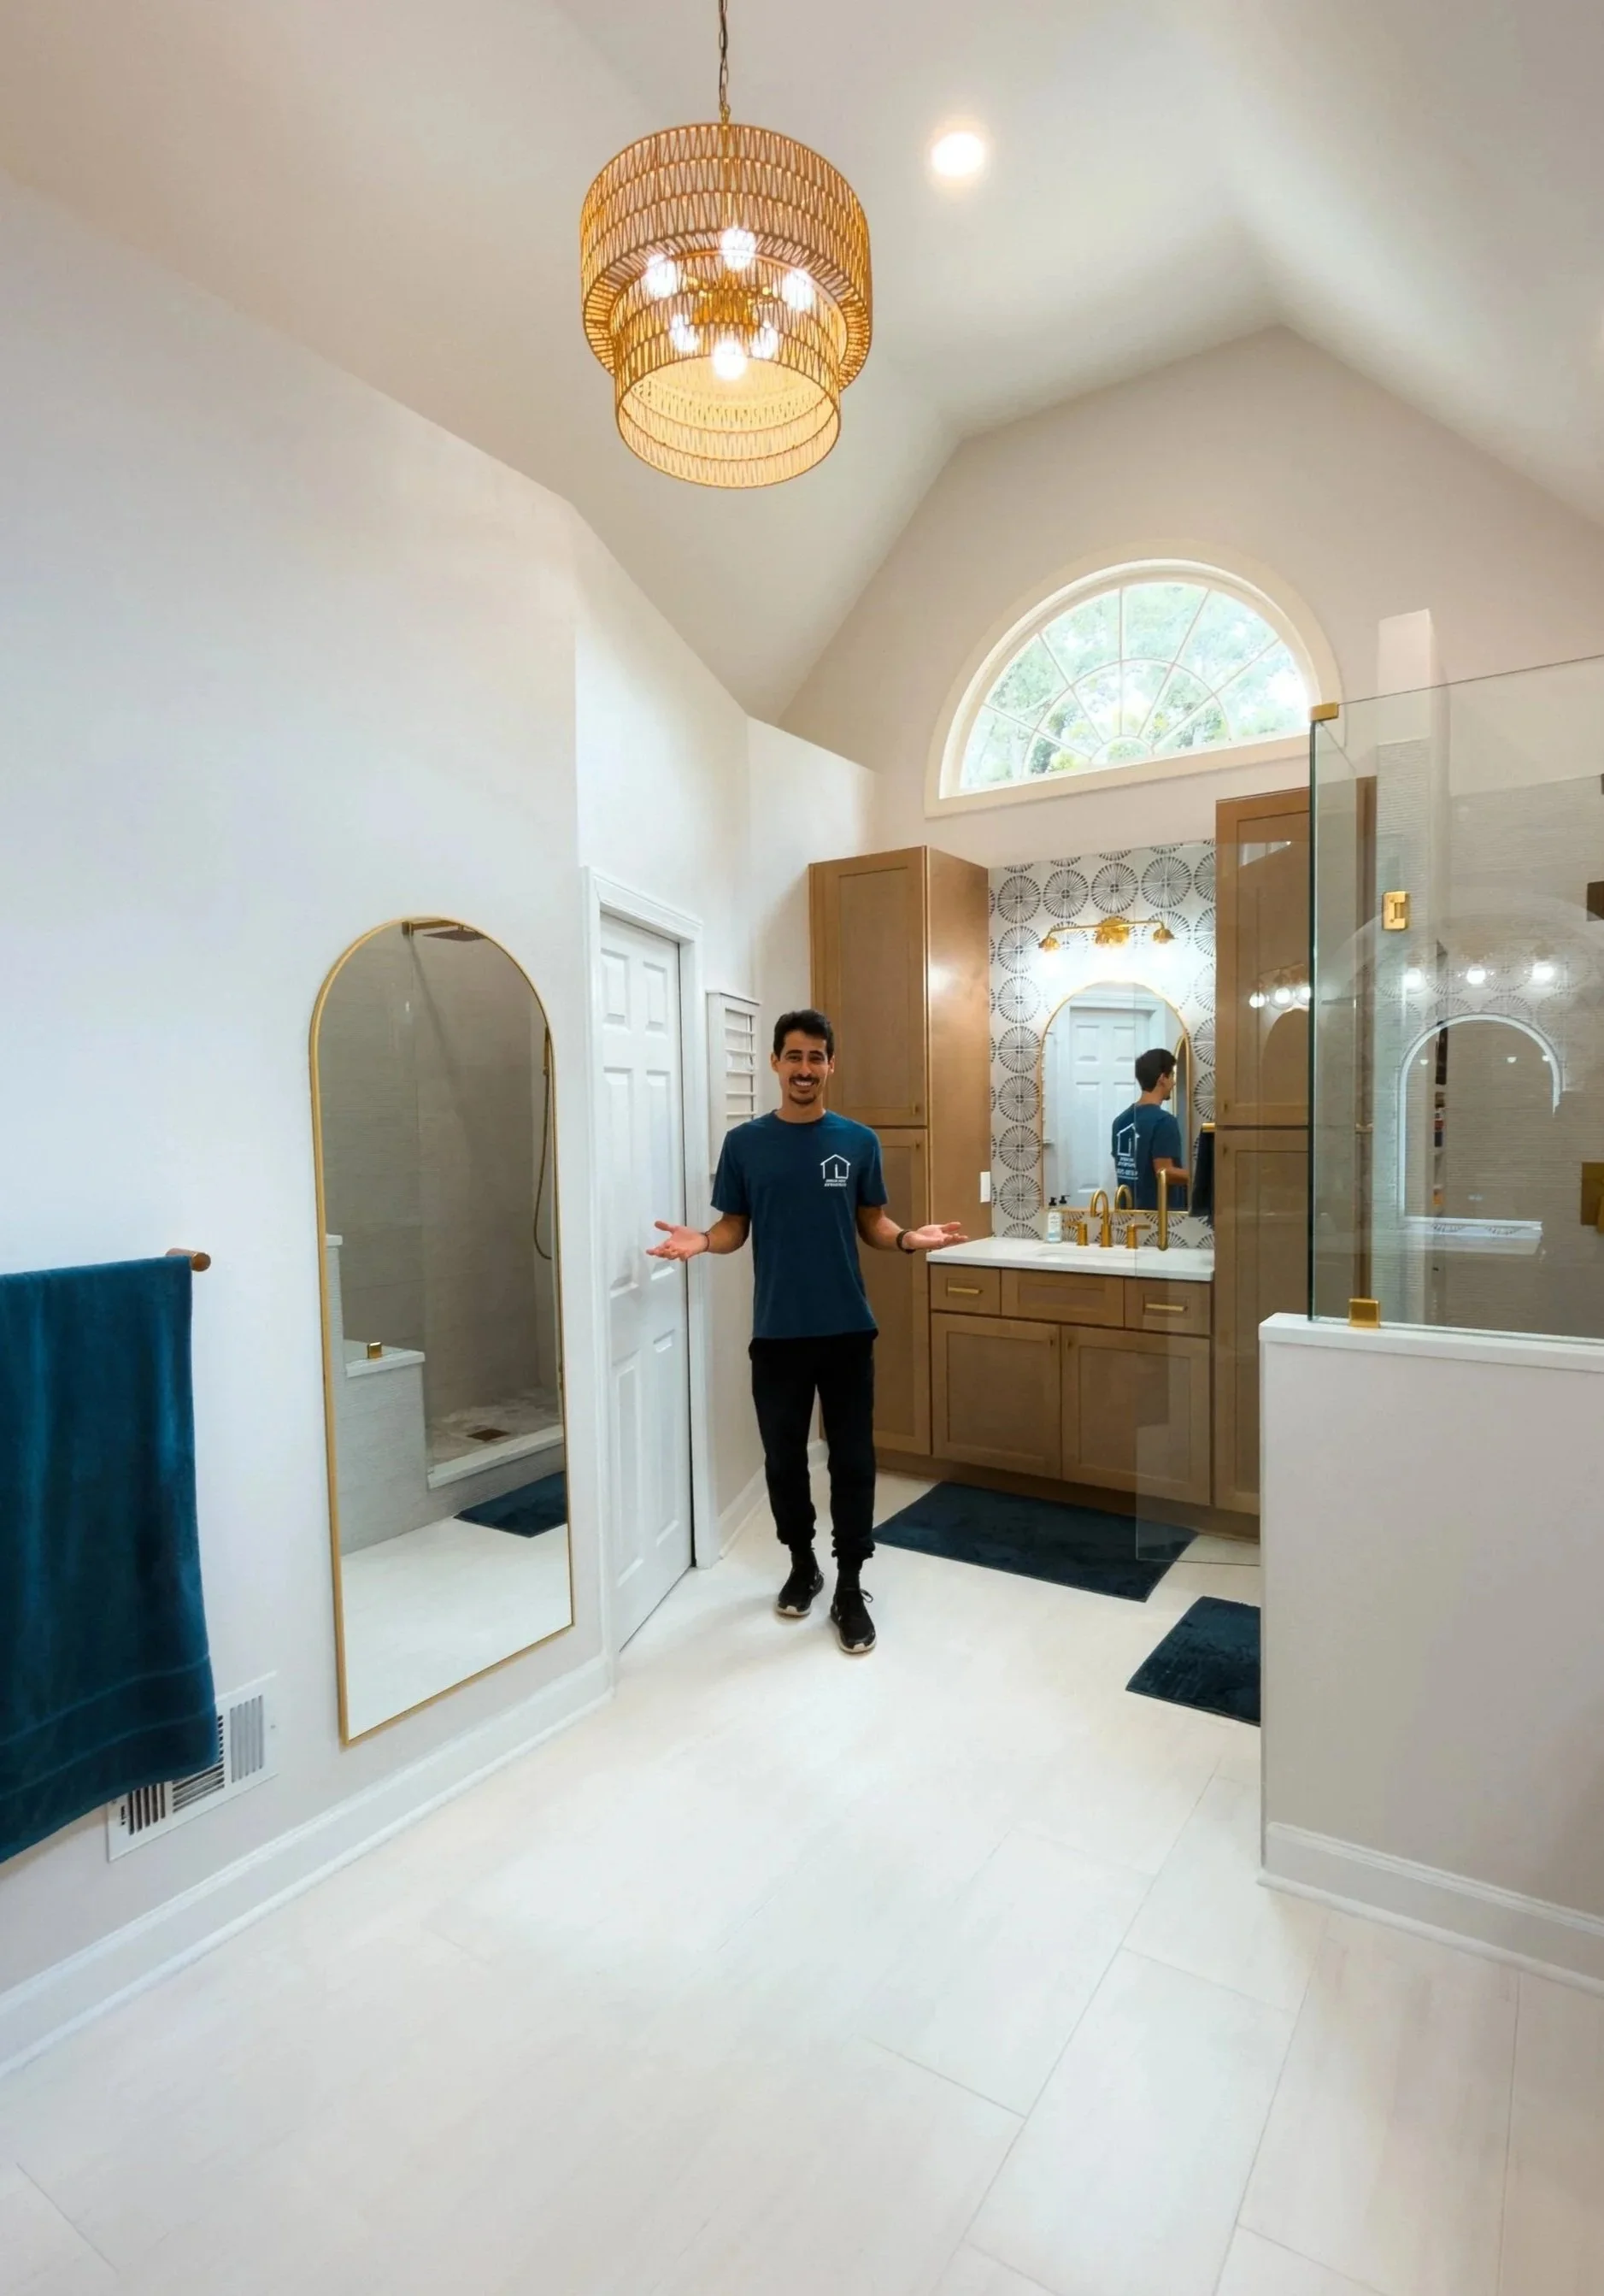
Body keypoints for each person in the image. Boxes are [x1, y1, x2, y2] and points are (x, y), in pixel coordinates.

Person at [648, 1010, 966, 1656]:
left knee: (852, 1462)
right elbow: (735, 1227)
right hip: (777, 1334)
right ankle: (802, 1562)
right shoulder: (745, 1145)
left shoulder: (857, 1142)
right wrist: (702, 1240)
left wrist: (907, 1238)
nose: (804, 1069)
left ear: (830, 1065)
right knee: (783, 1461)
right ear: (774, 1062)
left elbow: (872, 1224)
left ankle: (849, 1586)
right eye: (793, 1057)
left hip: (847, 1330)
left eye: (816, 1057)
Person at [1111, 1047, 1189, 1211]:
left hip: (1128, 1215)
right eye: (1172, 1075)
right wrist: (1201, 1177)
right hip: (1159, 1218)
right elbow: (1164, 1172)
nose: (1174, 1082)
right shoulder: (1164, 1121)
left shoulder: (1120, 1122)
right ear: (1162, 1078)